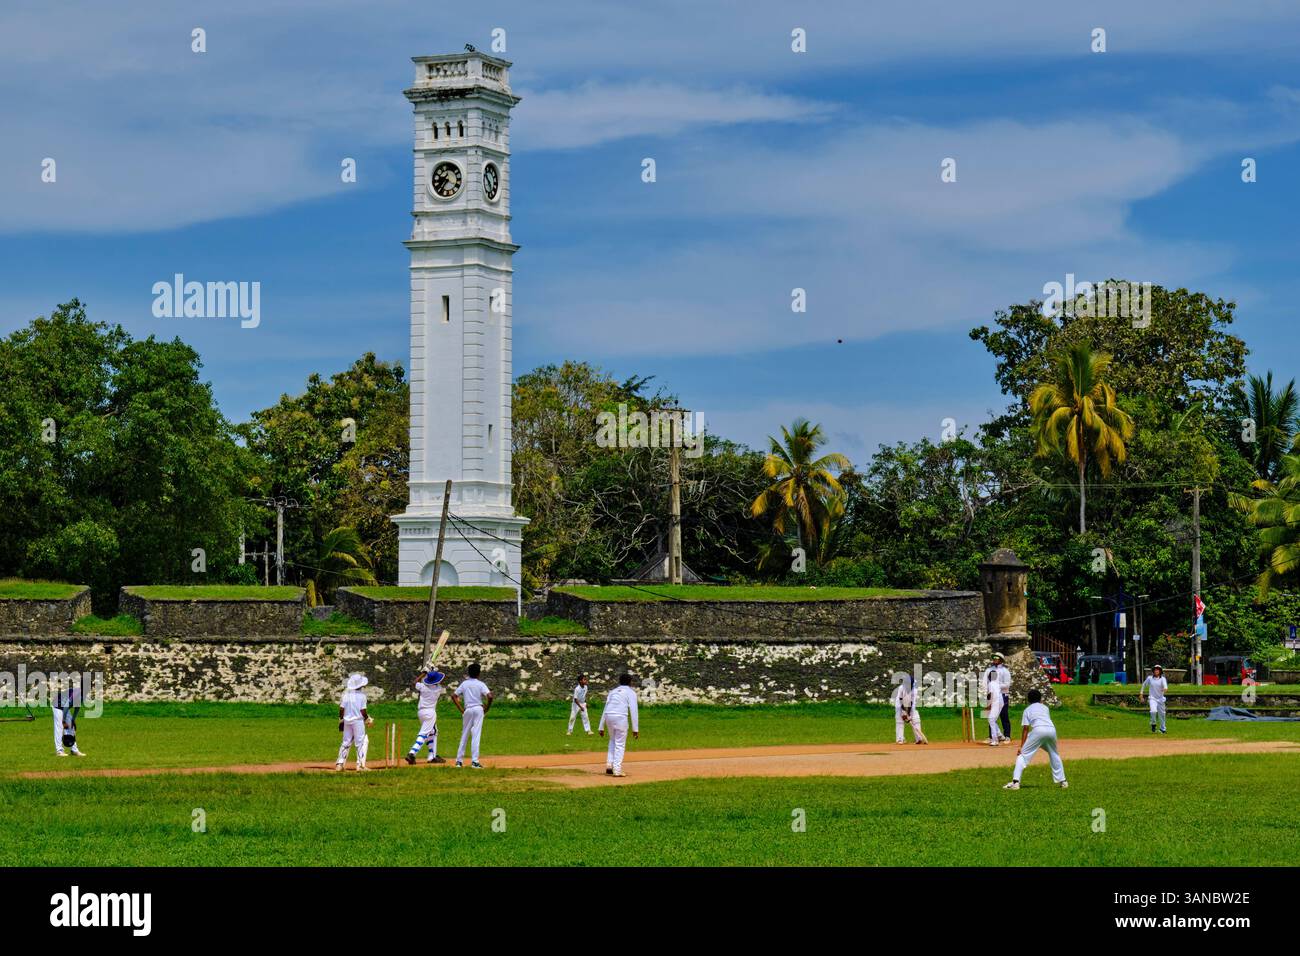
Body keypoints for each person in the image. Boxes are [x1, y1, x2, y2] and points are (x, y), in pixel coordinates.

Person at [1003, 689, 1067, 790]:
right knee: (1054, 753)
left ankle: (1015, 782)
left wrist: (1021, 747)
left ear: (1028, 699)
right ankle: (1063, 781)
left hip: (1038, 731)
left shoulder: (1027, 710)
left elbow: (1025, 729)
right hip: (1051, 730)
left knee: (1022, 755)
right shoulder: (1045, 708)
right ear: (1040, 698)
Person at [598, 673, 640, 777]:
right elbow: (634, 710)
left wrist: (601, 726)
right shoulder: (631, 692)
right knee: (620, 743)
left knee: (612, 740)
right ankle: (617, 770)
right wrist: (635, 729)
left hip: (609, 716)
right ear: (630, 682)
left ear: (619, 681)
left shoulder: (613, 691)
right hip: (620, 717)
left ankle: (609, 765)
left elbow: (605, 708)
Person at [452, 663, 492, 768]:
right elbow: (490, 696)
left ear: (468, 673)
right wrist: (487, 708)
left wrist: (462, 710)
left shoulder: (464, 684)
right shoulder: (481, 684)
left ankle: (459, 761)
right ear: (479, 673)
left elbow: (454, 696)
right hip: (478, 709)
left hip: (468, 709)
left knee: (464, 734)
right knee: (476, 735)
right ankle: (474, 761)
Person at [406, 668, 447, 764]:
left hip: (421, 712)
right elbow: (438, 680)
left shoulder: (423, 687)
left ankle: (432, 756)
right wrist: (432, 671)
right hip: (430, 713)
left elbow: (414, 682)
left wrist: (424, 673)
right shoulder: (438, 689)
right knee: (424, 733)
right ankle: (412, 753)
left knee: (433, 731)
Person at [336, 673, 373, 771]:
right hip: (358, 721)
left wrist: (341, 720)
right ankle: (360, 765)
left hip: (347, 721)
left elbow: (341, 709)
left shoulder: (346, 695)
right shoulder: (362, 696)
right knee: (361, 742)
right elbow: (363, 711)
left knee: (346, 742)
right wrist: (367, 719)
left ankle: (339, 764)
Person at [52, 678, 86, 758]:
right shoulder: (76, 693)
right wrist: (63, 721)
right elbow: (66, 707)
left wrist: (73, 719)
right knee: (59, 727)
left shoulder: (83, 694)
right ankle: (59, 751)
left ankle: (74, 750)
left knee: (71, 727)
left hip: (64, 707)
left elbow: (77, 707)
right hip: (57, 705)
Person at [891, 672, 928, 744]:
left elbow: (912, 703)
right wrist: (903, 712)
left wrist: (909, 714)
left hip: (910, 706)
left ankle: (919, 739)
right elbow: (900, 700)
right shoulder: (901, 688)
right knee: (899, 720)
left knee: (915, 718)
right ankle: (900, 739)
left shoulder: (914, 690)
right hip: (899, 706)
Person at [1139, 664, 1168, 734]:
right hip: (1152, 698)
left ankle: (1163, 729)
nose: (1156, 671)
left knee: (1162, 714)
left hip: (1161, 699)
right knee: (1153, 711)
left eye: (1158, 670)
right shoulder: (1150, 678)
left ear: (1160, 671)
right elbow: (1144, 685)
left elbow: (1165, 687)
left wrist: (1164, 689)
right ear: (1153, 671)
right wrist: (1141, 694)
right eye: (1155, 669)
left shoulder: (1163, 679)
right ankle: (1153, 724)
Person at [994, 654, 1012, 741]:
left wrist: (997, 685)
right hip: (993, 695)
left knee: (1004, 716)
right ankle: (995, 735)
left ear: (1001, 660)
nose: (994, 659)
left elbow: (1007, 685)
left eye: (996, 658)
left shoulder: (1005, 671)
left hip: (1003, 694)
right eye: (993, 658)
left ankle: (1007, 735)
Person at [985, 666, 1004, 746]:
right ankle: (1000, 735)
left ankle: (995, 740)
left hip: (995, 702)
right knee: (992, 719)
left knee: (991, 720)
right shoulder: (997, 683)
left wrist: (989, 705)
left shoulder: (991, 684)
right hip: (1000, 702)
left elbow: (991, 694)